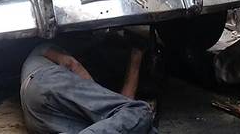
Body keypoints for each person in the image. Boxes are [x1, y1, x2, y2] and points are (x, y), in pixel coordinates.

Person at [20, 32, 157, 134]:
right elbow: (72, 64)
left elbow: (123, 119)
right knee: (141, 111)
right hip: (45, 81)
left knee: (137, 124)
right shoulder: (44, 48)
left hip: (37, 115)